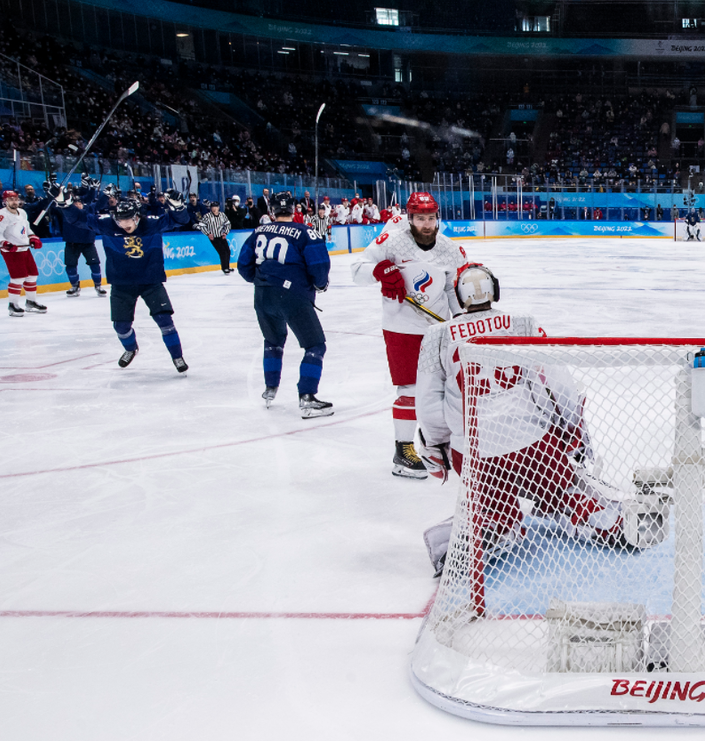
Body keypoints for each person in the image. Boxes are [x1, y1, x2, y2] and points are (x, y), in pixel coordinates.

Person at [416, 264, 666, 575]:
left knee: (493, 513)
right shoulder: (521, 323)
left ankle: (463, 540)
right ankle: (612, 522)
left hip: (474, 451)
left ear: (459, 297)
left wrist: (439, 445)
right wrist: (571, 426)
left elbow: (428, 403)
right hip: (530, 442)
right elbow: (554, 382)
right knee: (565, 490)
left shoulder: (436, 336)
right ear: (494, 289)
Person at [351, 191, 467, 478]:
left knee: (446, 390)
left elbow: (453, 288)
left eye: (430, 218)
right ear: (409, 219)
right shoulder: (392, 241)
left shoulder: (451, 249)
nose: (426, 225)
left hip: (438, 331)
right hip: (400, 328)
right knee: (410, 391)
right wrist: (379, 270)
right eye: (419, 219)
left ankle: (438, 446)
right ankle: (403, 452)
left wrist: (461, 322)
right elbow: (356, 270)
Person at [58, 189, 191, 372]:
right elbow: (78, 219)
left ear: (137, 217)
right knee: (121, 327)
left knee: (165, 321)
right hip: (121, 283)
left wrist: (178, 207)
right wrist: (64, 203)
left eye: (127, 220)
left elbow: (181, 220)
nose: (123, 225)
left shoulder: (151, 224)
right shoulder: (107, 224)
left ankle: (177, 357)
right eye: (120, 220)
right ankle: (130, 348)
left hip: (150, 281)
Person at [237, 191, 332, 418]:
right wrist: (319, 284)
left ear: (272, 210)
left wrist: (262, 281)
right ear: (293, 210)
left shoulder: (258, 231)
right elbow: (319, 266)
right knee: (315, 345)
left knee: (273, 341)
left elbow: (243, 265)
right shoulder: (306, 232)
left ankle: (270, 389)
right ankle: (307, 397)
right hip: (292, 296)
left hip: (262, 295)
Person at [0, 190, 46, 317]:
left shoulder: (23, 212)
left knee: (32, 275)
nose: (14, 201)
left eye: (16, 199)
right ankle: (13, 305)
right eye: (11, 199)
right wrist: (4, 243)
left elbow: (27, 228)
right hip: (11, 251)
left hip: (24, 249)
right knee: (18, 278)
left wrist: (33, 237)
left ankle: (31, 302)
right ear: (5, 201)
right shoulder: (0, 215)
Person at [61, 179, 107, 297]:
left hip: (88, 242)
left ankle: (98, 285)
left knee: (95, 264)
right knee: (70, 265)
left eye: (79, 203)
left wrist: (105, 195)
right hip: (71, 243)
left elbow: (99, 204)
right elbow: (57, 203)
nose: (77, 205)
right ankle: (74, 286)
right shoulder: (67, 212)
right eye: (74, 203)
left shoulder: (88, 209)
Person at [197, 201, 233, 274]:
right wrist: (208, 234)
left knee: (228, 251)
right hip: (214, 237)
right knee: (222, 251)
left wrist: (225, 232)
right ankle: (225, 268)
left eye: (215, 207)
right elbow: (201, 225)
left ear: (218, 207)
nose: (214, 209)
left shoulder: (222, 215)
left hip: (221, 236)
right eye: (212, 207)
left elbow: (228, 224)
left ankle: (227, 266)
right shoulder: (207, 216)